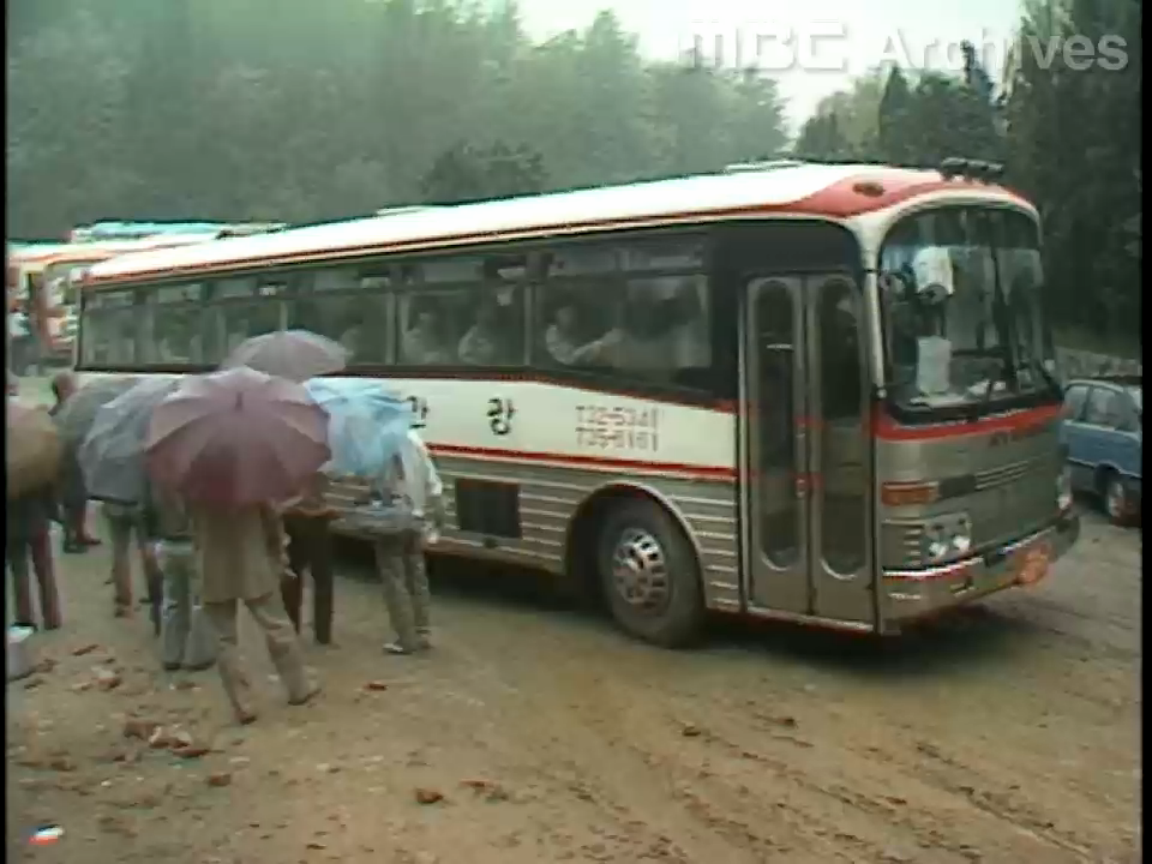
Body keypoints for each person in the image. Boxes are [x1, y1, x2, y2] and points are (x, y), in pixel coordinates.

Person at [194, 501, 320, 724]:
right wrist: (279, 552)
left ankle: (243, 705)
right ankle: (298, 687)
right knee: (277, 625)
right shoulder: (252, 484)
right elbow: (272, 521)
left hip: (212, 567)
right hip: (254, 562)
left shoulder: (197, 489)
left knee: (224, 639)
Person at [372, 428, 444, 656]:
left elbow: (381, 485)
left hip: (392, 518)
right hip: (416, 516)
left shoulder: (380, 442)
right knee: (417, 575)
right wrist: (435, 517)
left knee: (394, 578)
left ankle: (405, 638)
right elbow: (433, 483)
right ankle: (422, 632)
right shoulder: (415, 439)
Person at [141, 480, 216, 672]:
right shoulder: (198, 477)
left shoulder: (157, 476)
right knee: (199, 602)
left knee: (172, 601)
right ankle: (197, 656)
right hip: (195, 544)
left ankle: (171, 653)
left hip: (167, 543)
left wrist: (150, 539)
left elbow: (146, 508)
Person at [279, 472, 338, 646]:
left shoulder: (284, 456)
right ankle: (323, 633)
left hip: (291, 516)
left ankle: (292, 628)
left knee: (292, 576)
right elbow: (325, 493)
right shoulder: (322, 457)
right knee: (322, 578)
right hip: (316, 519)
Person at [49, 372, 101, 553]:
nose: (76, 389)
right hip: (65, 462)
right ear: (63, 389)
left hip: (79, 458)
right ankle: (69, 538)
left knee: (81, 498)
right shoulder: (58, 412)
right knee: (71, 500)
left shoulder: (76, 409)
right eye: (72, 385)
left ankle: (80, 532)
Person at [6, 483, 62, 630]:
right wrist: (54, 514)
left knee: (19, 573)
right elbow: (48, 490)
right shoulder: (34, 463)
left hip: (12, 525)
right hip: (37, 519)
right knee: (45, 570)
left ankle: (24, 619)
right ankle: (52, 617)